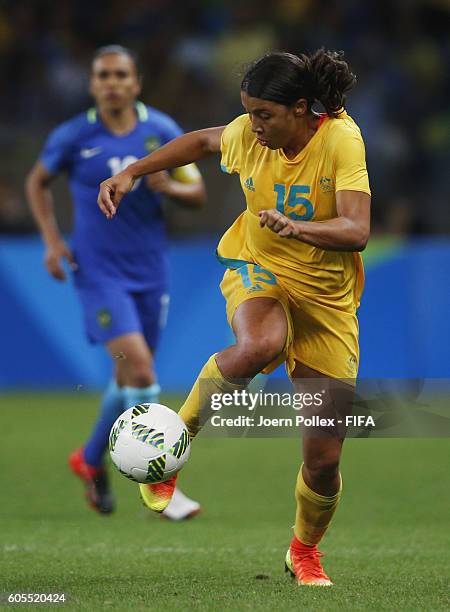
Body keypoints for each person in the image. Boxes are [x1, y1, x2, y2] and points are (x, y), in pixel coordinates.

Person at [97, 49, 371, 585]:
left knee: (323, 461)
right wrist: (132, 172)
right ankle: (172, 451)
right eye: (248, 112)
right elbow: (200, 141)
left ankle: (303, 552)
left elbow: (357, 229)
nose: (254, 125)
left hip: (327, 300)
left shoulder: (341, 140)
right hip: (257, 264)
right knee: (259, 344)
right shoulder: (251, 133)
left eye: (265, 115)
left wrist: (299, 227)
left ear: (300, 108)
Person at [26, 45, 206, 520]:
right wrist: (51, 240)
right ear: (92, 84)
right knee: (142, 372)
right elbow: (37, 182)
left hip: (150, 271)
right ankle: (160, 487)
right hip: (98, 273)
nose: (111, 82)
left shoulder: (162, 131)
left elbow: (198, 191)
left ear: (136, 83)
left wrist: (175, 189)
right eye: (102, 75)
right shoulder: (73, 135)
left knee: (126, 378)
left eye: (120, 75)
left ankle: (88, 460)